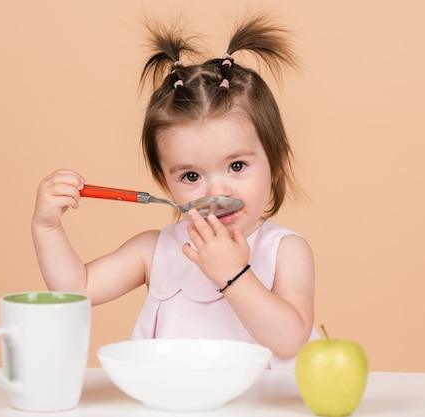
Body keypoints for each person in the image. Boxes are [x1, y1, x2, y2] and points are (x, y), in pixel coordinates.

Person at [32, 14, 316, 368]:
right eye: (191, 176)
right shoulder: (156, 250)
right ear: (165, 180)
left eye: (237, 166)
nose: (216, 188)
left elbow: (290, 340)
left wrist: (234, 274)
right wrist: (47, 228)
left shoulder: (285, 251)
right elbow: (76, 289)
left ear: (277, 162)